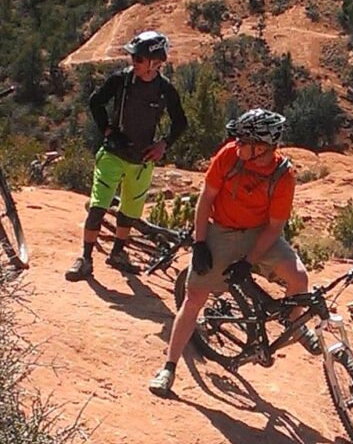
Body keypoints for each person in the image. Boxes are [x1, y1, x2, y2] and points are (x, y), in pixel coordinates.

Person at [148, 108, 308, 398]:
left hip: (259, 235)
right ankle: (169, 367)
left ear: (261, 147)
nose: (237, 143)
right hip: (221, 231)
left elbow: (274, 227)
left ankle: (289, 331)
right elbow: (206, 198)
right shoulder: (229, 156)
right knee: (195, 297)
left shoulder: (283, 176)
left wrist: (248, 262)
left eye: (243, 140)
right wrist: (199, 243)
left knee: (299, 278)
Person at [65, 31, 188, 281]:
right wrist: (108, 130)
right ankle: (86, 258)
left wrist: (163, 144)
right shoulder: (121, 80)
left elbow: (180, 122)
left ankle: (118, 253)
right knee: (98, 206)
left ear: (155, 62)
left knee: (129, 212)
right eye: (133, 57)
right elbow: (96, 102)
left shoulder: (165, 90)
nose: (133, 62)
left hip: (141, 160)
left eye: (139, 59)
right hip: (113, 153)